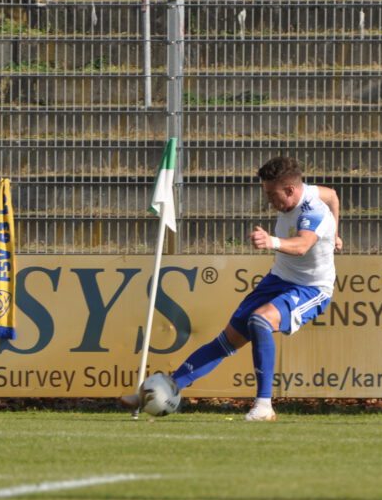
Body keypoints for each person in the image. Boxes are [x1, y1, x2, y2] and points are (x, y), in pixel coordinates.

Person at [123, 156, 340, 421]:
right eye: (267, 193)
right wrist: (336, 233)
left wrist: (271, 241)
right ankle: (163, 388)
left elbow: (303, 245)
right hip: (278, 279)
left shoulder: (312, 210)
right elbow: (333, 195)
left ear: (291, 190)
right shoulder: (308, 191)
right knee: (227, 341)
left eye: (272, 195)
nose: (269, 201)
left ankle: (264, 406)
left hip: (311, 288)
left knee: (260, 321)